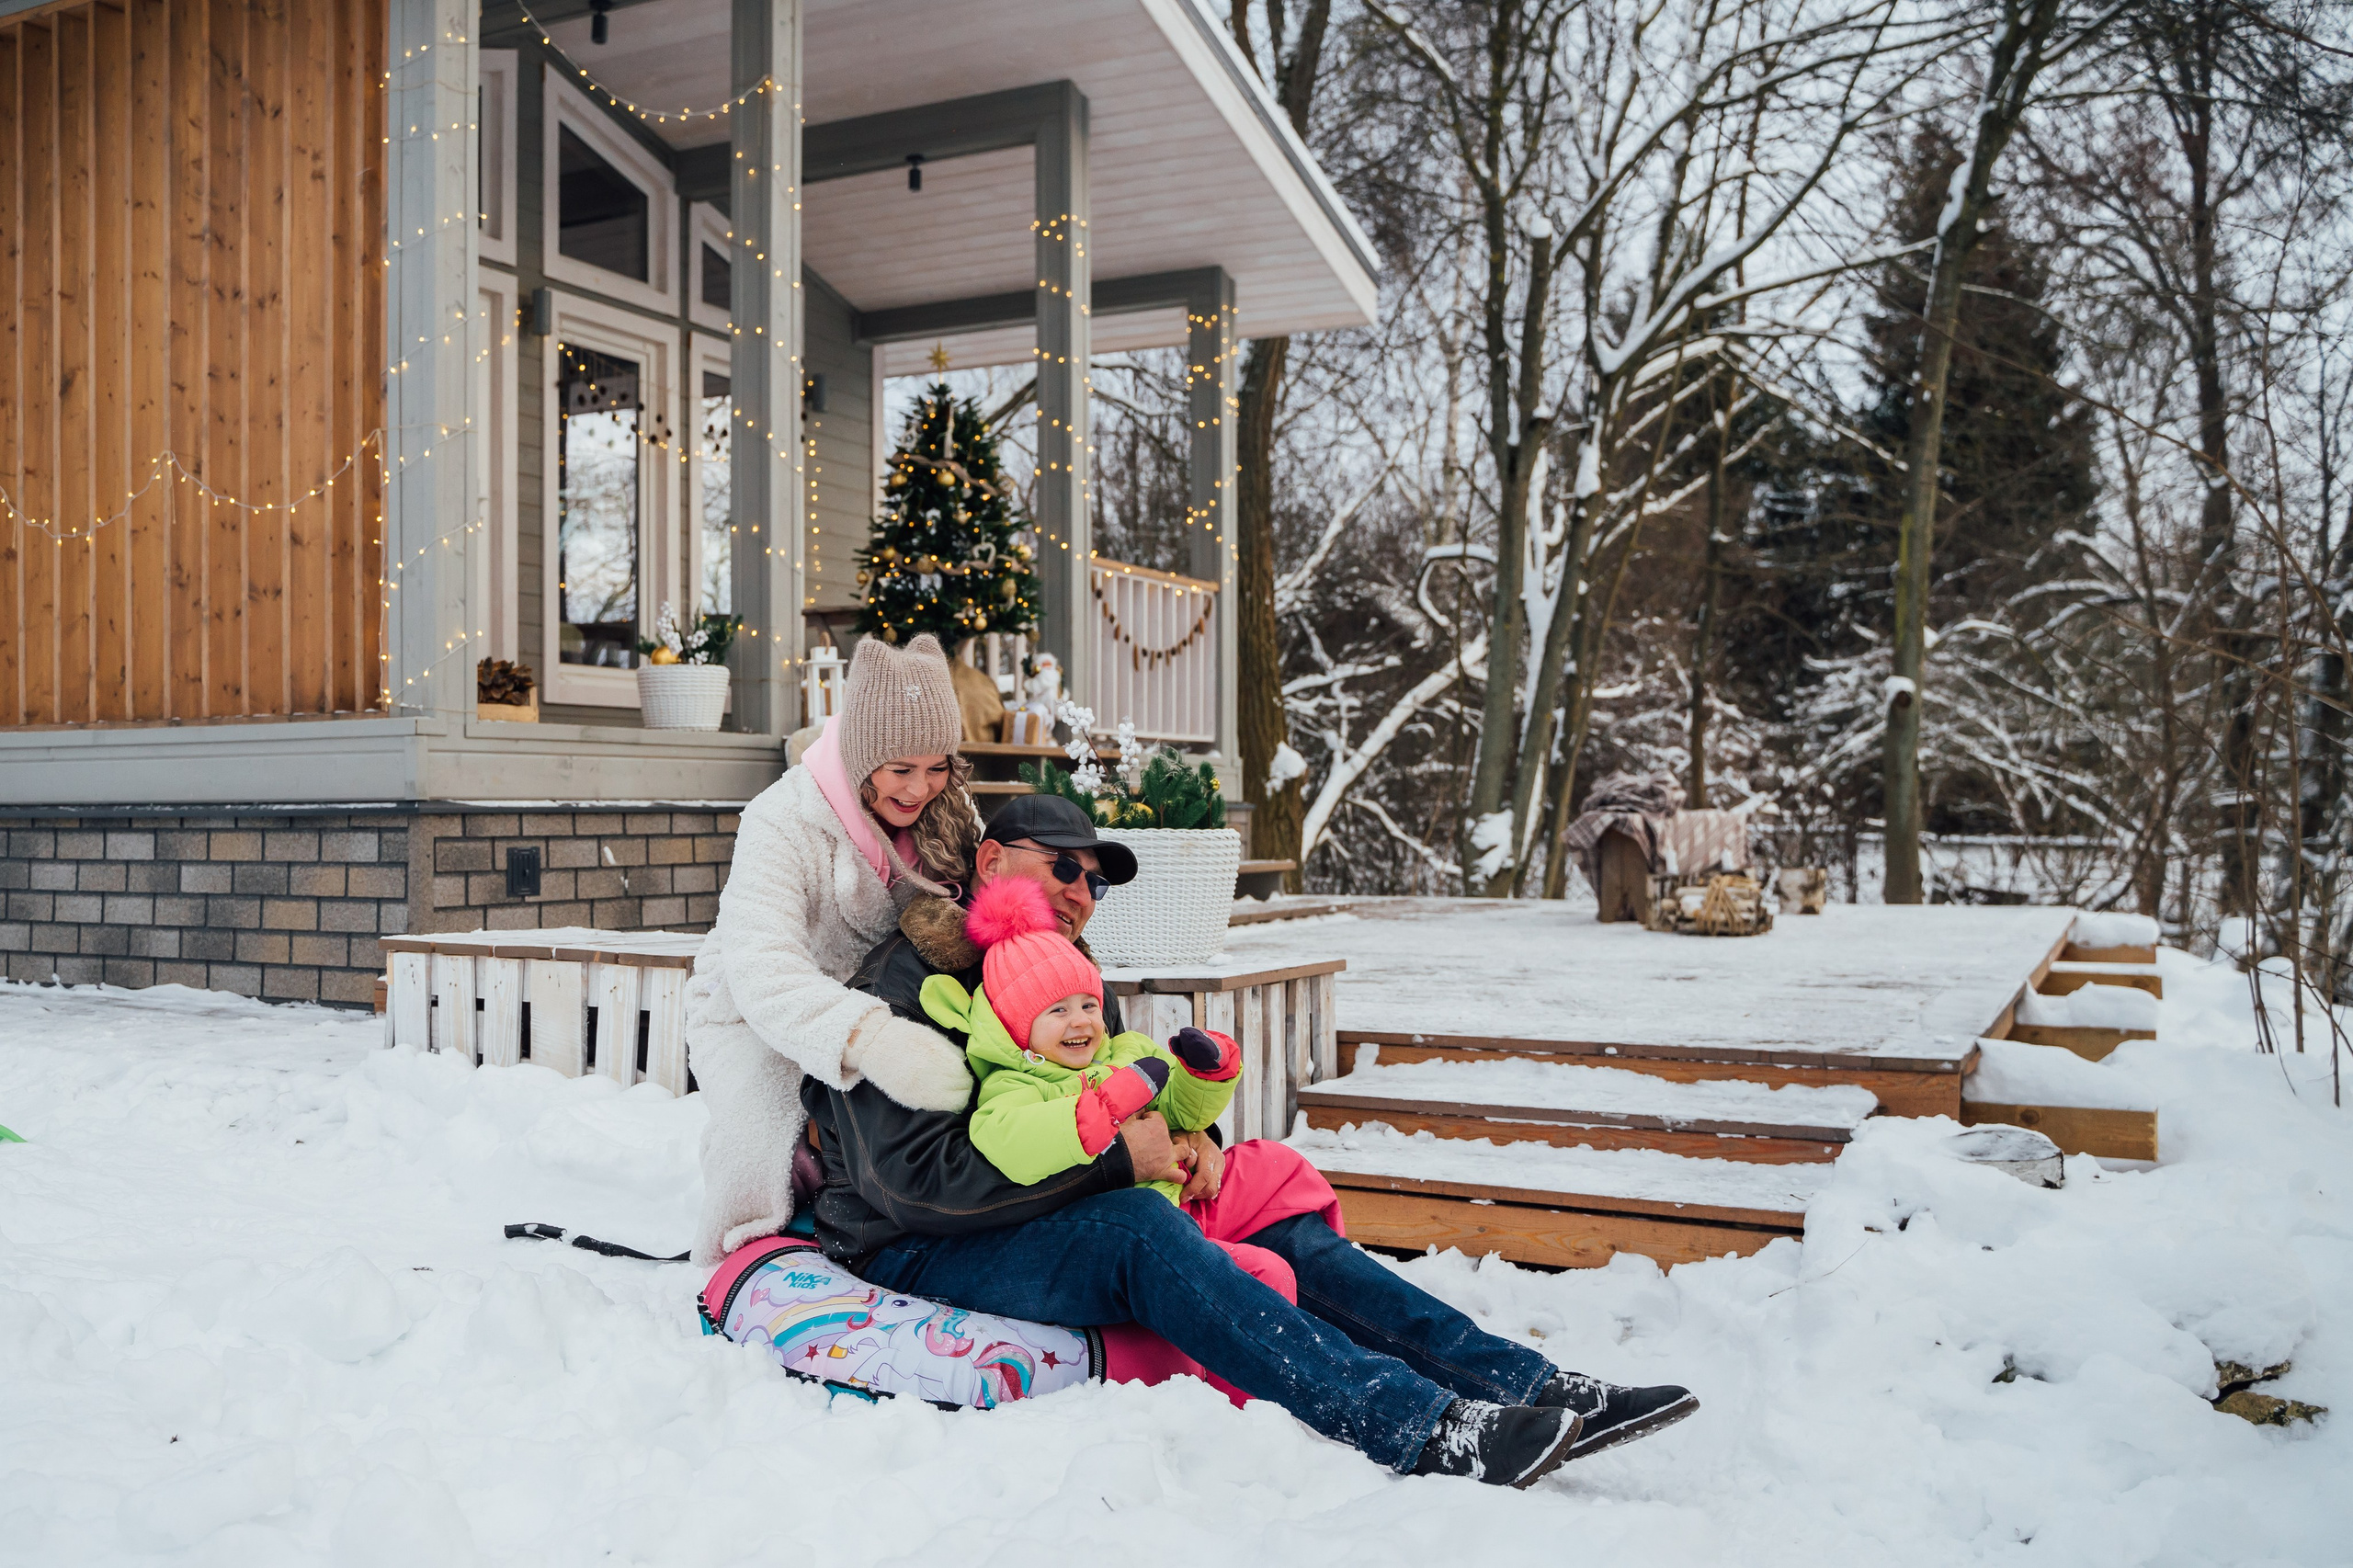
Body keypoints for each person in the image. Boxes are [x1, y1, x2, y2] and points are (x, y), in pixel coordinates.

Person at [803, 792, 1699, 1487]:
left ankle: (1525, 1380)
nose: (1083, 892)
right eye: (1065, 867)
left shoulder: (1066, 984)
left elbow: (1134, 1082)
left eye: (1099, 880)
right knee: (1135, 1229)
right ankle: (1419, 1424)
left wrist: (1194, 1138)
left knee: (1270, 1201)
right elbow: (909, 1185)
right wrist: (1123, 1160)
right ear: (993, 859)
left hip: (1045, 1203)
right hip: (918, 1244)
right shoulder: (898, 986)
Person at [686, 631, 993, 1266]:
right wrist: (871, 1041)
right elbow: (763, 966)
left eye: (938, 767)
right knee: (764, 1135)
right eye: (901, 769)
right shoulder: (781, 819)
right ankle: (756, 1245)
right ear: (860, 755)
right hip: (761, 1008)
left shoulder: (951, 811)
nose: (921, 788)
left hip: (889, 992)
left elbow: (988, 905)